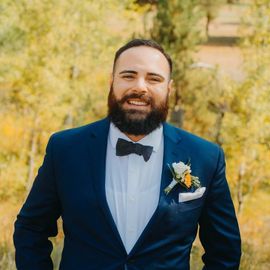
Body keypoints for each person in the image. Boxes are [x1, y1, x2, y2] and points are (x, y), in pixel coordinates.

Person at [13, 39, 241, 270]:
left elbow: (224, 251)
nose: (140, 87)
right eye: (128, 75)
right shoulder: (64, 149)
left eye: (154, 78)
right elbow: (31, 229)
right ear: (112, 82)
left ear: (169, 88)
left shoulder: (206, 157)